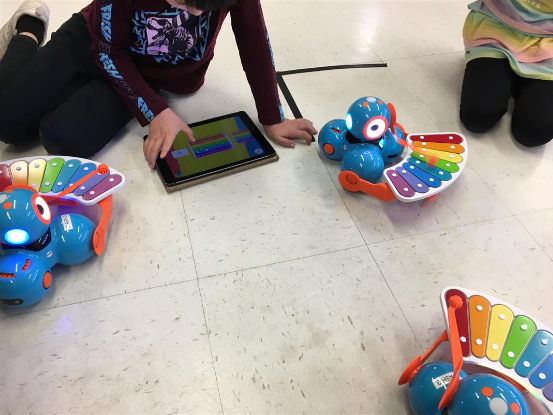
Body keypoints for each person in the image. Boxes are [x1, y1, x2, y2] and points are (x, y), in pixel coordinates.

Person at [0, 0, 318, 168]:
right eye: (181, 0)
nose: (190, 12)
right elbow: (109, 52)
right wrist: (155, 111)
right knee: (8, 122)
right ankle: (28, 29)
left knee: (61, 138)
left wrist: (272, 117)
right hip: (91, 41)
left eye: (202, 8)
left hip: (145, 73)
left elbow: (253, 39)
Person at [460, 0, 553, 147]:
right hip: (497, 26)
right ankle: (506, 74)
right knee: (478, 117)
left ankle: (518, 79)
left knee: (534, 132)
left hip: (549, 45)